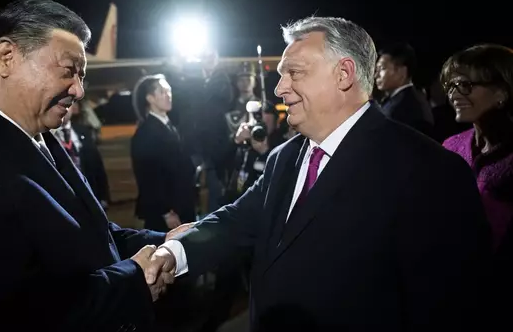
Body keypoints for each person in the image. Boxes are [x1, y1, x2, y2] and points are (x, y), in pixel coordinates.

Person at [146, 17, 490, 331]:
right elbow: (238, 220)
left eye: (294, 73)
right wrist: (173, 253)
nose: (280, 88)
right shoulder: (283, 158)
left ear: (344, 74)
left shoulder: (429, 171)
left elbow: (449, 308)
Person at [0, 0, 190, 332]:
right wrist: (133, 280)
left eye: (81, 76)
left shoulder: (36, 134)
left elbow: (92, 236)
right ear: (7, 57)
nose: (79, 91)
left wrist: (164, 239)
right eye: (69, 71)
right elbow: (10, 314)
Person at [440, 44, 513, 329]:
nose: (454, 94)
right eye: (451, 85)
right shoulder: (451, 146)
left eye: (466, 85)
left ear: (502, 92)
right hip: (449, 288)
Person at [130, 74, 197, 231]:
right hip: (166, 213)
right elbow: (148, 177)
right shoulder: (145, 133)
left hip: (182, 204)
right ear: (150, 98)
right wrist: (166, 212)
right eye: (162, 92)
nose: (169, 96)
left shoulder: (169, 126)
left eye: (169, 91)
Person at [375, 43, 434, 137]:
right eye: (376, 69)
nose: (376, 75)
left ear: (401, 71)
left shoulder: (406, 106)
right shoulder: (399, 100)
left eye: (382, 68)